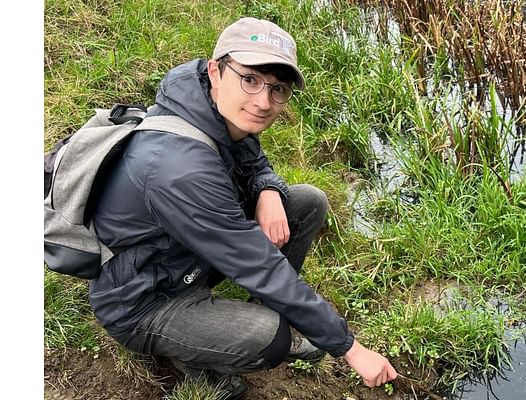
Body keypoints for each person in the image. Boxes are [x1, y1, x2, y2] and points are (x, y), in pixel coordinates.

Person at [88, 17, 397, 399]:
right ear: (217, 71)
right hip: (143, 300)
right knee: (270, 338)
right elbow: (258, 265)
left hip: (180, 257)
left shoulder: (209, 107)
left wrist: (267, 189)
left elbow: (252, 160)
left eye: (277, 89)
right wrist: (350, 348)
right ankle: (205, 362)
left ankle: (242, 318)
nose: (264, 102)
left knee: (306, 203)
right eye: (250, 80)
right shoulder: (180, 169)